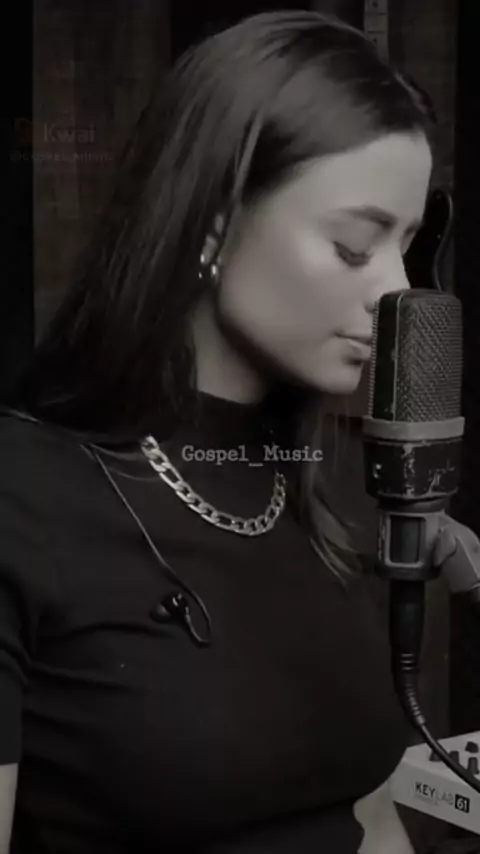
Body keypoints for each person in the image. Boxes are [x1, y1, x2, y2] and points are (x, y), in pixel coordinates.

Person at [0, 10, 435, 853]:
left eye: (407, 245)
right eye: (356, 246)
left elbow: (370, 817)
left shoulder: (317, 488)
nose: (398, 290)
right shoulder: (22, 501)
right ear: (212, 226)